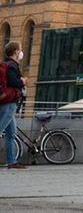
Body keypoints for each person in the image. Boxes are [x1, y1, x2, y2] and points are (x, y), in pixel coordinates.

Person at [2, 41, 25, 169]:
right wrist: (22, 81)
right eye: (20, 49)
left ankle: (12, 162)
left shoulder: (5, 64)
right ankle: (12, 162)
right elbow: (12, 81)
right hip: (9, 103)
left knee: (11, 133)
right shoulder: (12, 65)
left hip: (7, 101)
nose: (21, 52)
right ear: (16, 51)